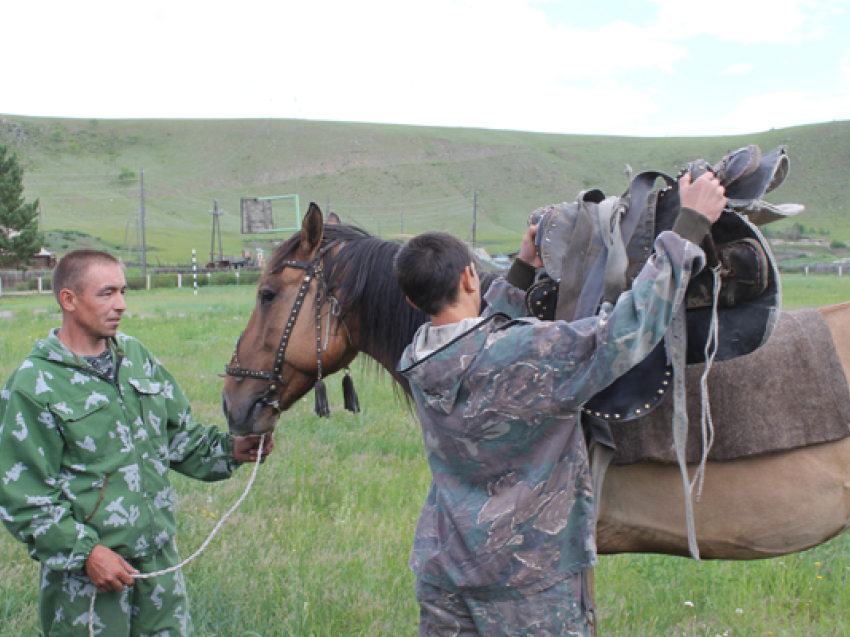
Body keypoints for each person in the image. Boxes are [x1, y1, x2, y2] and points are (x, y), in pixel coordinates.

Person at [393, 173, 727, 636]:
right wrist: (687, 228)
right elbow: (622, 334)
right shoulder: (530, 352)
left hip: (442, 571)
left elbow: (479, 340)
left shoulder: (418, 356)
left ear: (412, 299)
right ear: (471, 275)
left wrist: (523, 268)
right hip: (528, 581)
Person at [0, 249, 275, 636]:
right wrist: (87, 554)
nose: (122, 305)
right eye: (107, 293)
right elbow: (23, 496)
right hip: (87, 582)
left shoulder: (135, 358)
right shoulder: (33, 386)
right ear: (69, 299)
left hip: (158, 567)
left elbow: (177, 437)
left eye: (123, 292)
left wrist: (231, 449)